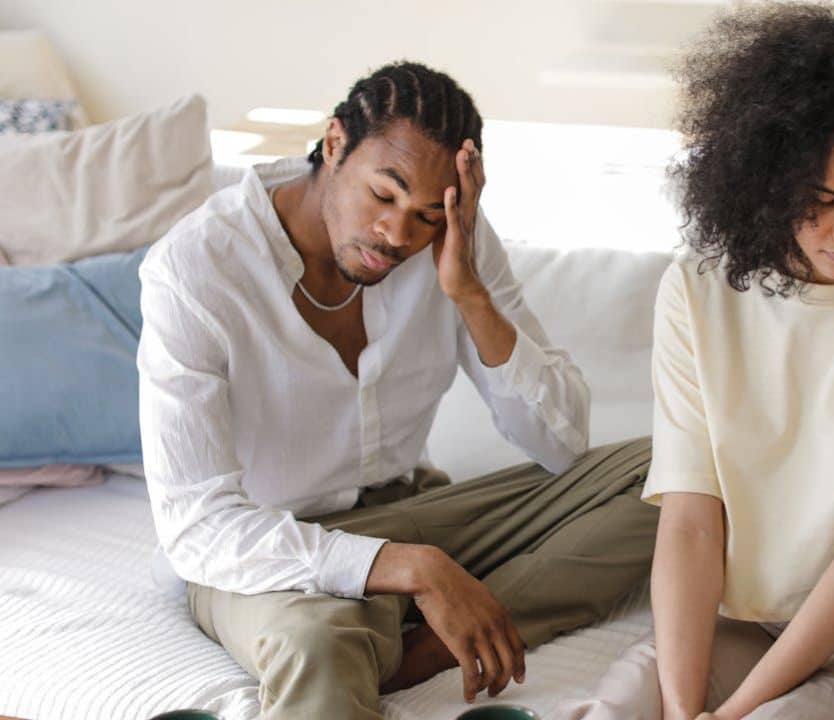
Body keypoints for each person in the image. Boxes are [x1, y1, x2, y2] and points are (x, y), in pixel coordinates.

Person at [137, 61, 658, 720]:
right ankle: (401, 628)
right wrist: (414, 569)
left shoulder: (452, 241)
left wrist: (468, 291)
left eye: (424, 217)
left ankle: (429, 645)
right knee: (316, 645)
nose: (397, 236)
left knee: (670, 475)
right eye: (382, 196)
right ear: (333, 145)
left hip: (420, 511)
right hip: (269, 548)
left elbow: (559, 444)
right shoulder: (197, 269)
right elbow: (197, 528)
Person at [556, 4, 834, 719]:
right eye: (823, 200)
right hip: (745, 621)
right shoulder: (695, 289)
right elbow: (690, 523)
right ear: (767, 184)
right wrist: (683, 710)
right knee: (615, 711)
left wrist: (738, 711)